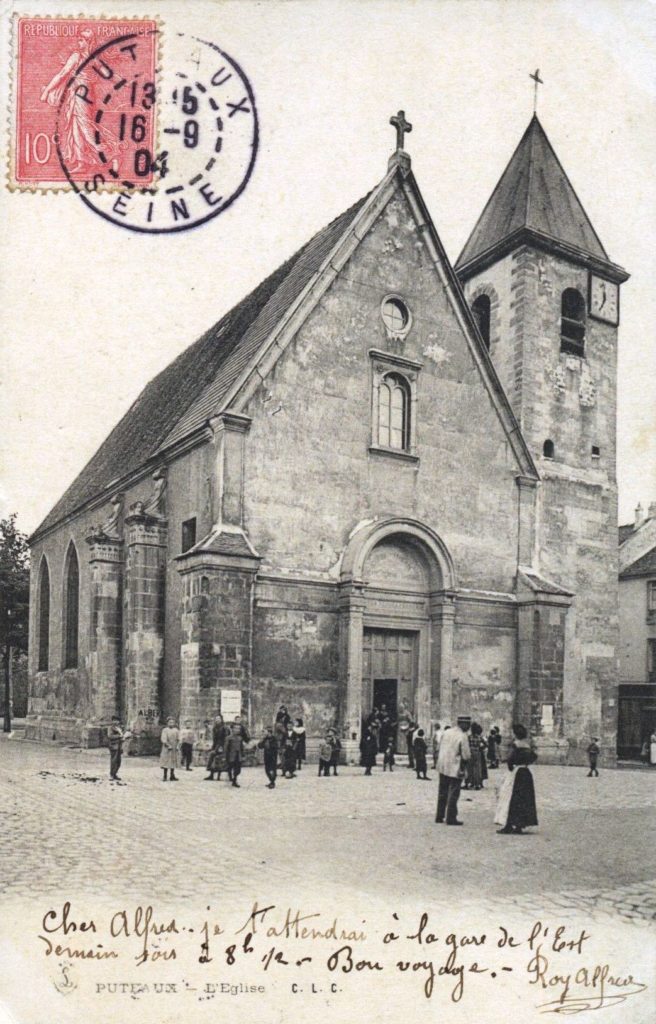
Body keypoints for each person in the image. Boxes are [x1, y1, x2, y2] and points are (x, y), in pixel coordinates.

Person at [495, 723, 538, 835]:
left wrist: (511, 765)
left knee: (510, 797)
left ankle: (508, 824)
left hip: (517, 773)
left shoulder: (515, 745)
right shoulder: (528, 745)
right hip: (526, 773)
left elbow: (510, 759)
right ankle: (519, 825)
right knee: (523, 799)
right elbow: (534, 756)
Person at [435, 716, 471, 826]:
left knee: (442, 791)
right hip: (455, 766)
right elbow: (466, 755)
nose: (469, 727)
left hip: (443, 764)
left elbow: (439, 747)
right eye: (468, 724)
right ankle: (451, 817)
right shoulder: (463, 736)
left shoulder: (447, 732)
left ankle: (439, 816)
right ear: (463, 724)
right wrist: (464, 768)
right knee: (454, 792)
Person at [205, 714, 227, 781]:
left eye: (219, 719)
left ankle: (211, 771)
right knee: (212, 754)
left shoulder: (224, 728)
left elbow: (225, 738)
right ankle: (211, 774)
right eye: (216, 719)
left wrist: (222, 747)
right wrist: (213, 747)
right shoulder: (215, 728)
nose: (217, 720)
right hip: (216, 745)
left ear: (221, 720)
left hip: (222, 746)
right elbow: (215, 739)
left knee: (213, 755)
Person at [465, 722, 485, 790]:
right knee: (477, 769)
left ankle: (469, 783)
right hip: (477, 752)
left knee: (469, 768)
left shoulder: (469, 737)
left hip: (470, 752)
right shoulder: (479, 737)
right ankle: (477, 784)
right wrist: (481, 748)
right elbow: (486, 744)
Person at [107, 715, 128, 781]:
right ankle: (111, 774)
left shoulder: (119, 728)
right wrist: (119, 736)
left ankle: (115, 774)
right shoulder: (110, 728)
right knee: (113, 761)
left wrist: (123, 738)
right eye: (115, 720)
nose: (116, 722)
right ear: (112, 721)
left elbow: (121, 737)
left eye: (117, 721)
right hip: (113, 746)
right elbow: (110, 736)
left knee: (118, 762)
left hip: (119, 746)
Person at [160, 718, 180, 782]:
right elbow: (163, 739)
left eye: (172, 722)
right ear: (167, 723)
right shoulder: (165, 730)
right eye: (170, 722)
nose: (171, 724)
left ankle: (172, 775)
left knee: (173, 761)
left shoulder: (176, 730)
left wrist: (177, 746)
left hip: (174, 747)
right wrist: (168, 745)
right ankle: (165, 776)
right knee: (166, 761)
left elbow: (179, 738)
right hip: (167, 748)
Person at [225, 723, 243, 787]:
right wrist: (226, 757)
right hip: (231, 755)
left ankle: (234, 779)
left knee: (238, 770)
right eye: (236, 728)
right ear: (232, 729)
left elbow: (241, 747)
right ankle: (233, 780)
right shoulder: (229, 738)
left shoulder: (240, 738)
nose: (237, 730)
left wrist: (243, 755)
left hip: (238, 755)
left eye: (239, 729)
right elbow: (226, 748)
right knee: (230, 768)